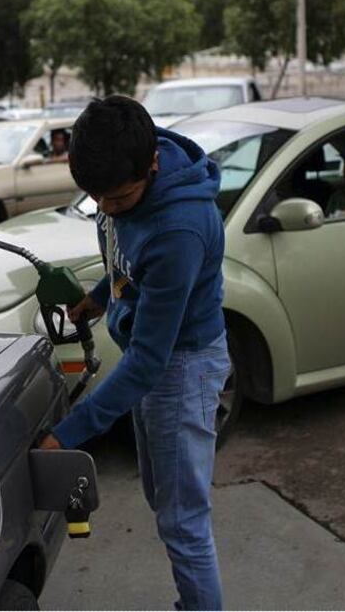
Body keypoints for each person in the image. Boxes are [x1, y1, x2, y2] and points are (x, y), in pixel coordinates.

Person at [38, 95, 230, 611]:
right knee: (160, 497)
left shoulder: (179, 230)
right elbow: (129, 260)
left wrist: (69, 433)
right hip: (153, 360)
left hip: (182, 366)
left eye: (118, 199)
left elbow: (148, 362)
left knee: (183, 521)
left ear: (152, 166)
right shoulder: (121, 165)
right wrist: (100, 297)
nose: (106, 208)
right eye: (95, 197)